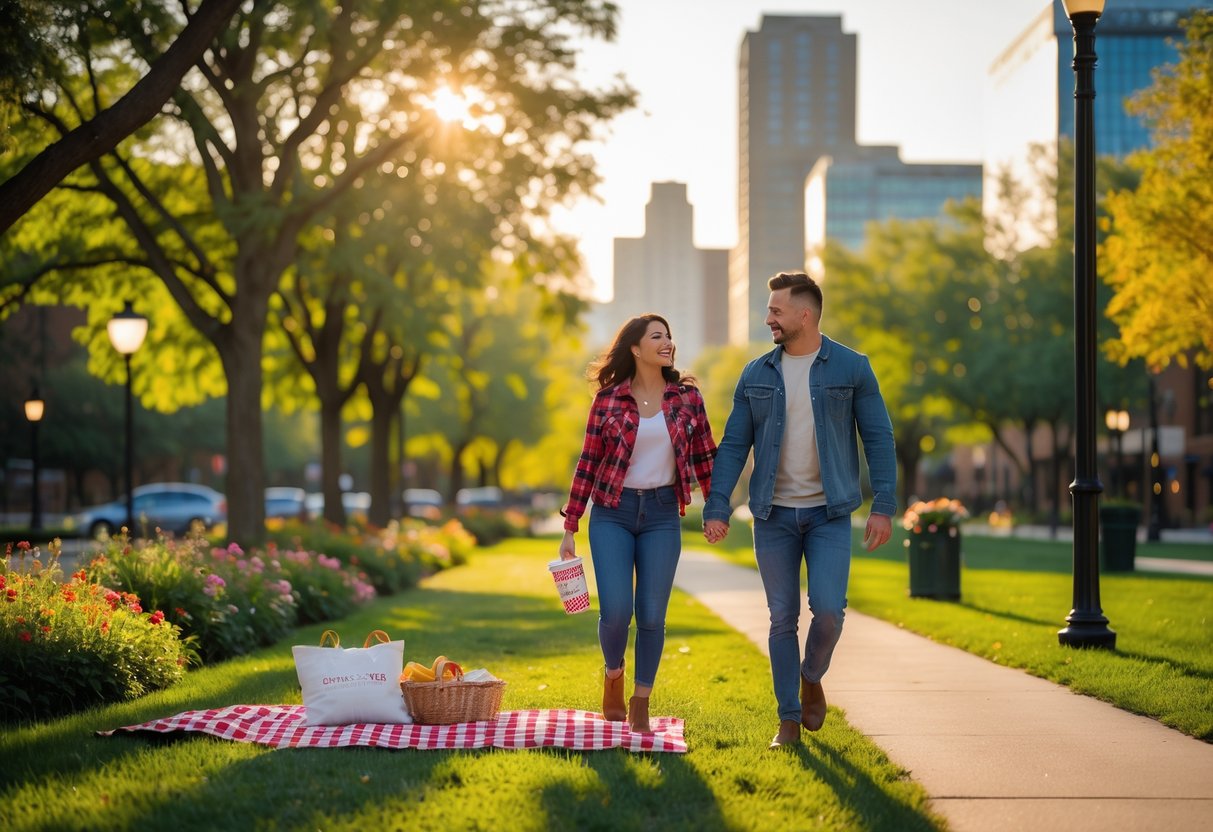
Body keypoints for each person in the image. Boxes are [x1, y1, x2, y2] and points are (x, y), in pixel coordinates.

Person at [703, 271, 896, 749]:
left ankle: (811, 676)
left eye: (776, 310)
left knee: (829, 611)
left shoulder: (852, 368)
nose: (768, 317)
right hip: (773, 516)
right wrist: (718, 503)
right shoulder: (756, 374)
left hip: (829, 514)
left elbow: (878, 438)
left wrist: (884, 504)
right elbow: (732, 445)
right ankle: (788, 717)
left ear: (803, 315)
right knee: (781, 617)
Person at [559, 313, 717, 733]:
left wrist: (716, 508)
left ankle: (641, 701)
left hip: (663, 514)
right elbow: (588, 461)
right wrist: (571, 525)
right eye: (657, 336)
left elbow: (706, 458)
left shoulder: (687, 399)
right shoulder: (608, 400)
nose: (667, 342)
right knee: (615, 611)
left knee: (651, 614)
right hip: (612, 512)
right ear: (635, 348)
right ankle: (614, 673)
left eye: (669, 335)